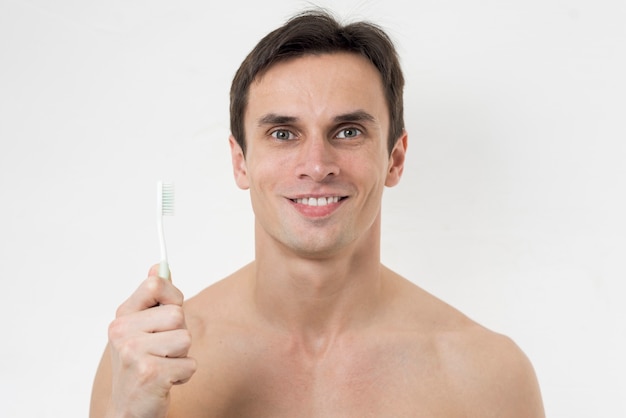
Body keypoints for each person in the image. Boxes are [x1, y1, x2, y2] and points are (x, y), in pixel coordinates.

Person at [90, 9, 545, 418]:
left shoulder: (487, 376)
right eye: (284, 133)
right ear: (240, 161)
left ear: (395, 158)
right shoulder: (146, 364)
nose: (316, 165)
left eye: (348, 131)